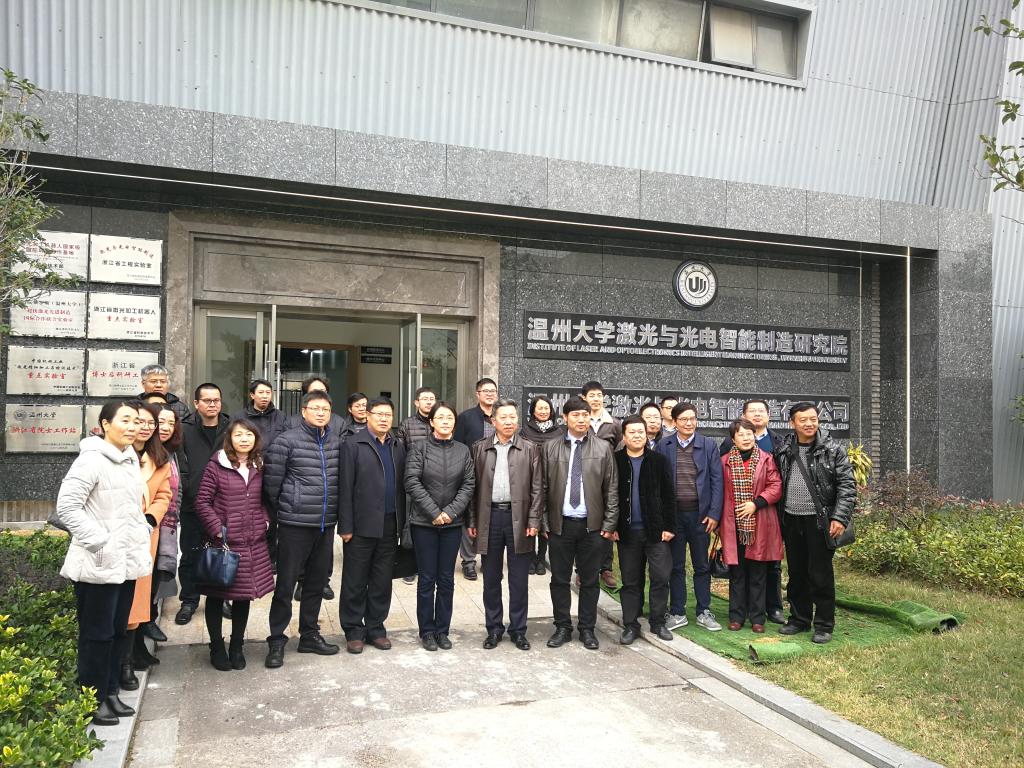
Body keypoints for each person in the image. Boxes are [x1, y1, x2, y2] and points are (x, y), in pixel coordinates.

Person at [55, 400, 152, 726]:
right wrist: (99, 541)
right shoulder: (91, 460)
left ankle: (110, 692)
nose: (133, 426)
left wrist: (140, 533)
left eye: (136, 421)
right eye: (125, 420)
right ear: (106, 424)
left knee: (117, 631)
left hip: (124, 562)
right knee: (96, 635)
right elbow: (67, 507)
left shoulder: (129, 458)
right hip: (97, 564)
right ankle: (92, 700)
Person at [262, 391, 342, 667]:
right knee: (286, 584)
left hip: (325, 524)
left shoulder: (336, 442)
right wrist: (286, 510)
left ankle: (309, 634)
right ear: (304, 411)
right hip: (294, 524)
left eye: (325, 409)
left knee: (316, 583)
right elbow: (271, 485)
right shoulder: (286, 441)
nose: (320, 413)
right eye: (315, 408)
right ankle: (276, 639)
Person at [194, 419, 275, 671]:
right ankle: (216, 647)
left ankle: (237, 646)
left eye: (249, 434)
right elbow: (202, 502)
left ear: (256, 439)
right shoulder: (217, 465)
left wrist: (265, 521)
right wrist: (218, 529)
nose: (244, 439)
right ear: (229, 438)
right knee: (216, 596)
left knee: (243, 596)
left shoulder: (258, 464)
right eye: (238, 434)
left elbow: (263, 500)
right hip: (224, 543)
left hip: (252, 542)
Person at [773, 402, 855, 644]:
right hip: (791, 519)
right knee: (797, 573)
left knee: (820, 574)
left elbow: (847, 486)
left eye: (813, 419)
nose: (809, 424)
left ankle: (824, 625)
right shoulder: (784, 449)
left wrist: (839, 517)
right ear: (792, 423)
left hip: (820, 522)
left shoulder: (833, 450)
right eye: (803, 420)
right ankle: (799, 619)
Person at [542, 396, 618, 650]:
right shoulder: (550, 447)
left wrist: (608, 525)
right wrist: (544, 522)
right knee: (559, 580)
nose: (581, 419)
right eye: (575, 415)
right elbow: (541, 488)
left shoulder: (603, 448)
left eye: (585, 415)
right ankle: (562, 627)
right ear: (565, 418)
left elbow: (611, 489)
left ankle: (587, 628)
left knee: (590, 581)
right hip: (560, 525)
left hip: (592, 527)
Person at [468, 400, 543, 651]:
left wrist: (534, 520)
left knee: (519, 580)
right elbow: (472, 488)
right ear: (493, 421)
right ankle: (494, 629)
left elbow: (537, 488)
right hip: (489, 518)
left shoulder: (530, 448)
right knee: (491, 578)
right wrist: (472, 520)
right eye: (504, 417)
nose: (509, 422)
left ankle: (518, 630)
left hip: (519, 520)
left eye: (513, 417)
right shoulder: (479, 448)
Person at [404, 402, 475, 650]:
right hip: (424, 523)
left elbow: (468, 484)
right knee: (426, 579)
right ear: (431, 422)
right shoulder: (419, 448)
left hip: (452, 525)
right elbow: (411, 481)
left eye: (449, 418)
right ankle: (426, 631)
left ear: (455, 422)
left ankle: (442, 630)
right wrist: (434, 512)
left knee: (446, 579)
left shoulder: (463, 451)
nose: (445, 421)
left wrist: (450, 512)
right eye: (440, 417)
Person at [339, 397, 407, 654]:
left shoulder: (397, 445)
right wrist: (346, 525)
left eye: (388, 414)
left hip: (389, 523)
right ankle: (353, 630)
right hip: (360, 525)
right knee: (355, 580)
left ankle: (376, 628)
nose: (383, 419)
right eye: (378, 414)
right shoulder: (353, 444)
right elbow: (345, 487)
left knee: (382, 579)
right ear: (367, 415)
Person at [657, 401, 724, 632]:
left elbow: (717, 481)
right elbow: (658, 482)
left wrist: (714, 513)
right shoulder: (664, 445)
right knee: (676, 566)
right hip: (674, 516)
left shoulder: (708, 445)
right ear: (674, 422)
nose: (689, 423)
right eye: (684, 419)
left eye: (692, 419)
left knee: (702, 565)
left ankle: (704, 611)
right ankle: (677, 611)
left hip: (700, 516)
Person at [719, 399, 786, 624]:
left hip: (760, 522)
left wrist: (756, 503)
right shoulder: (724, 462)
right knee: (737, 573)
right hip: (733, 524)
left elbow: (776, 486)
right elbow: (718, 490)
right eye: (741, 434)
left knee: (758, 572)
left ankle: (758, 618)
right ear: (733, 439)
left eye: (749, 434)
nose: (746, 438)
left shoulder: (767, 459)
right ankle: (736, 616)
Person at [122, 402, 172, 689]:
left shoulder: (159, 458)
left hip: (145, 535)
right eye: (139, 421)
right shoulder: (114, 454)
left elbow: (164, 494)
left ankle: (129, 659)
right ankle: (122, 662)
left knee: (139, 599)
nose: (145, 427)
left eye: (150, 423)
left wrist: (151, 517)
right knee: (121, 602)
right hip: (115, 536)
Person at [614, 416, 676, 644]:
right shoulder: (616, 461)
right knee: (630, 581)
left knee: (660, 577)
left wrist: (669, 526)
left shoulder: (658, 461)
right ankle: (631, 624)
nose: (637, 435)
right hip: (626, 531)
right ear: (624, 436)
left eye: (640, 431)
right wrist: (612, 527)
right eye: (632, 432)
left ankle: (658, 622)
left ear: (646, 434)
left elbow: (669, 495)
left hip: (656, 532)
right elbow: (608, 495)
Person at [175, 383, 230, 625]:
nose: (212, 404)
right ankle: (189, 600)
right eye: (207, 400)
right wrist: (188, 489)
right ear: (196, 404)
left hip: (223, 504)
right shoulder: (184, 428)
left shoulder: (230, 427)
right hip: (193, 503)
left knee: (222, 552)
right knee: (191, 553)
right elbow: (180, 464)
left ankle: (221, 598)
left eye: (216, 400)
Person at [288, 375, 343, 600]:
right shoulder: (291, 426)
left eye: (323, 393)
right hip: (300, 508)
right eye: (314, 393)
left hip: (326, 506)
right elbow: (276, 479)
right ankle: (301, 582)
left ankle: (323, 582)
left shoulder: (338, 424)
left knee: (324, 551)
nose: (320, 411)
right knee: (298, 554)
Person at [453, 377, 499, 581]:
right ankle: (469, 561)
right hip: (473, 474)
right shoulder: (466, 417)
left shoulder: (501, 415)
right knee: (469, 517)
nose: (490, 394)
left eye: (493, 391)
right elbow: (458, 446)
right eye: (485, 391)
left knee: (492, 517)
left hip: (499, 474)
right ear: (477, 394)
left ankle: (488, 560)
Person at [395, 386, 437, 584]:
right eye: (425, 398)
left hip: (436, 482)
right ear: (416, 403)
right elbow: (400, 453)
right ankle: (409, 566)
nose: (429, 402)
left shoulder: (440, 421)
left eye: (432, 398)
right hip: (413, 482)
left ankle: (427, 565)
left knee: (431, 525)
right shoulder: (407, 424)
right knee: (410, 524)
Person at [581, 380, 621, 590]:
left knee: (607, 522)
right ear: (584, 398)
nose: (596, 399)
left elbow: (620, 449)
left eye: (599, 395)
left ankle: (606, 568)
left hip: (607, 479)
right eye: (592, 395)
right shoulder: (580, 420)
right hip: (583, 479)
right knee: (583, 524)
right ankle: (583, 569)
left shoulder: (614, 423)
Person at [518, 396, 564, 576]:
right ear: (533, 411)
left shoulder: (559, 432)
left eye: (547, 408)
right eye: (540, 408)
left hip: (551, 480)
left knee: (546, 520)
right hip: (530, 480)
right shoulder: (525, 430)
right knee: (531, 517)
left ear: (551, 410)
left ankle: (541, 557)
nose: (544, 411)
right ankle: (530, 557)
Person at [232, 379, 288, 447]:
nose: (265, 396)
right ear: (252, 395)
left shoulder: (281, 416)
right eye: (261, 392)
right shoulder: (239, 417)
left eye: (268, 392)